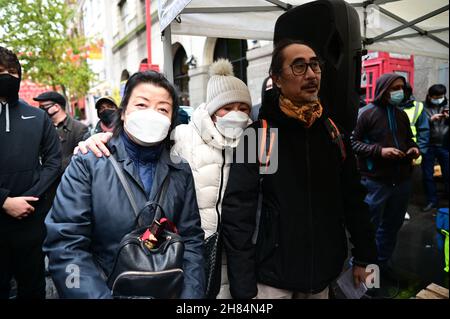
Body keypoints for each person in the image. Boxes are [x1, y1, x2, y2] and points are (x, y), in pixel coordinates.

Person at [76, 59, 253, 299]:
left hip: (232, 254)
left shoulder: (254, 141)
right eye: (227, 107)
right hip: (188, 256)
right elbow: (68, 245)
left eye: (243, 108)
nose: (236, 115)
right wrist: (94, 142)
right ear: (123, 111)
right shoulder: (181, 140)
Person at [220, 39, 377, 299]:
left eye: (315, 65)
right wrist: (243, 285)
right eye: (299, 67)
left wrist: (366, 256)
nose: (311, 74)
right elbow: (238, 214)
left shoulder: (333, 133)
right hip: (272, 279)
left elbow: (354, 199)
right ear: (277, 79)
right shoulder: (258, 135)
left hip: (323, 276)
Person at [43, 71, 205, 299]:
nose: (152, 114)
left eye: (162, 109)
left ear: (171, 120)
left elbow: (192, 242)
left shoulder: (180, 169)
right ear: (123, 113)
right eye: (141, 104)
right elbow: (65, 247)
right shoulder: (88, 163)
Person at [0, 46, 61, 299]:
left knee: (33, 287)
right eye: (1, 72)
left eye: (12, 72)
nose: (7, 77)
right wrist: (4, 200)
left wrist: (30, 197)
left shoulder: (37, 117)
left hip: (30, 220)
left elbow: (54, 161)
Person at [351, 73, 419, 271]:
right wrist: (380, 151)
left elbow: (409, 140)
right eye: (394, 88)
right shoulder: (366, 113)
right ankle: (360, 270)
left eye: (401, 88)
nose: (399, 92)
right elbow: (353, 142)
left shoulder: (401, 115)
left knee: (391, 226)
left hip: (402, 181)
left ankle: (381, 265)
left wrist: (413, 148)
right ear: (383, 89)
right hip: (375, 182)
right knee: (368, 228)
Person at [33, 91, 88, 171]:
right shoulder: (42, 128)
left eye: (43, 106)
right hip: (48, 179)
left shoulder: (79, 129)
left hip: (70, 178)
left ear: (56, 107)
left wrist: (54, 168)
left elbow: (81, 157)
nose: (41, 110)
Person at [398, 82, 430, 220]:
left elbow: (424, 131)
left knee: (406, 183)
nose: (397, 93)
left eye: (400, 90)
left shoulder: (418, 107)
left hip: (411, 153)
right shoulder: (387, 105)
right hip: (389, 151)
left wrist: (420, 151)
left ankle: (402, 209)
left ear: (407, 92)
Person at [421, 84, 449, 212]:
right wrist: (430, 119)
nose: (439, 99)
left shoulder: (447, 106)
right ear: (430, 96)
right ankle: (432, 201)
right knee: (428, 175)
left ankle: (447, 196)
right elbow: (418, 124)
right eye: (436, 97)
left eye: (441, 96)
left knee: (448, 173)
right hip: (428, 145)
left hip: (446, 145)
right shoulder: (422, 107)